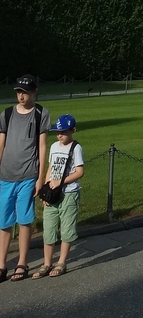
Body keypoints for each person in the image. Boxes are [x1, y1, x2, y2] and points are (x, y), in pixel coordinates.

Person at [0, 75, 51, 282]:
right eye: (19, 92)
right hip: (6, 175)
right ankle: (1, 264)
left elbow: (42, 146)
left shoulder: (40, 113)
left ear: (34, 92)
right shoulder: (7, 114)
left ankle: (22, 262)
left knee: (24, 219)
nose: (22, 96)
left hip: (28, 174)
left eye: (26, 92)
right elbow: (1, 144)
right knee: (3, 221)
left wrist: (40, 178)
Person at [32, 114, 84, 279]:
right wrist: (47, 190)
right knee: (49, 229)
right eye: (57, 132)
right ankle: (47, 263)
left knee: (67, 229)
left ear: (72, 130)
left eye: (63, 132)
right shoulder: (54, 146)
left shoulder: (76, 148)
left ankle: (61, 262)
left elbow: (80, 172)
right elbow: (50, 167)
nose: (60, 135)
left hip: (69, 193)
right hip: (53, 194)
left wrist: (61, 181)